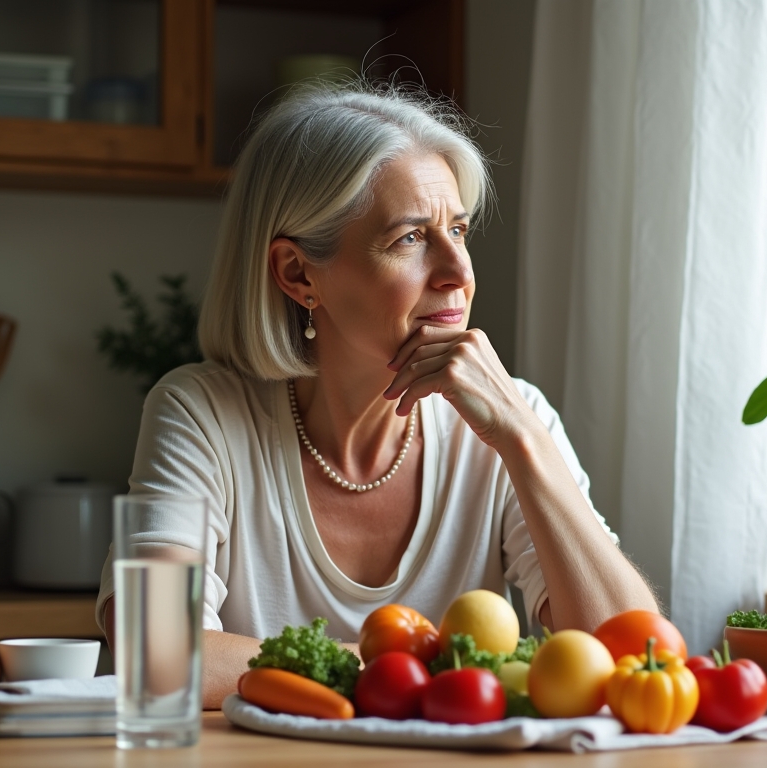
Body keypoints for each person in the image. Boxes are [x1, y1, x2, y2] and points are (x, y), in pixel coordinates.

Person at [96, 83, 659, 708]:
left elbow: (637, 656)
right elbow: (156, 651)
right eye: (411, 238)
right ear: (297, 273)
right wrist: (405, 663)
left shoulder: (511, 419)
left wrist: (524, 442)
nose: (459, 272)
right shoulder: (202, 415)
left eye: (459, 231)